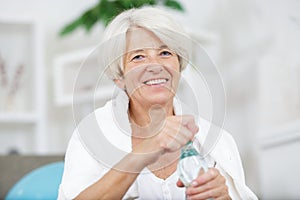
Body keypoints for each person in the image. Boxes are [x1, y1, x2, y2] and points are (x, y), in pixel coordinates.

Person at [58, 6, 258, 200]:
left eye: (165, 53)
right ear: (119, 77)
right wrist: (144, 151)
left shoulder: (217, 140)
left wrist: (223, 198)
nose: (155, 66)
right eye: (138, 57)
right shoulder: (92, 134)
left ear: (179, 65)